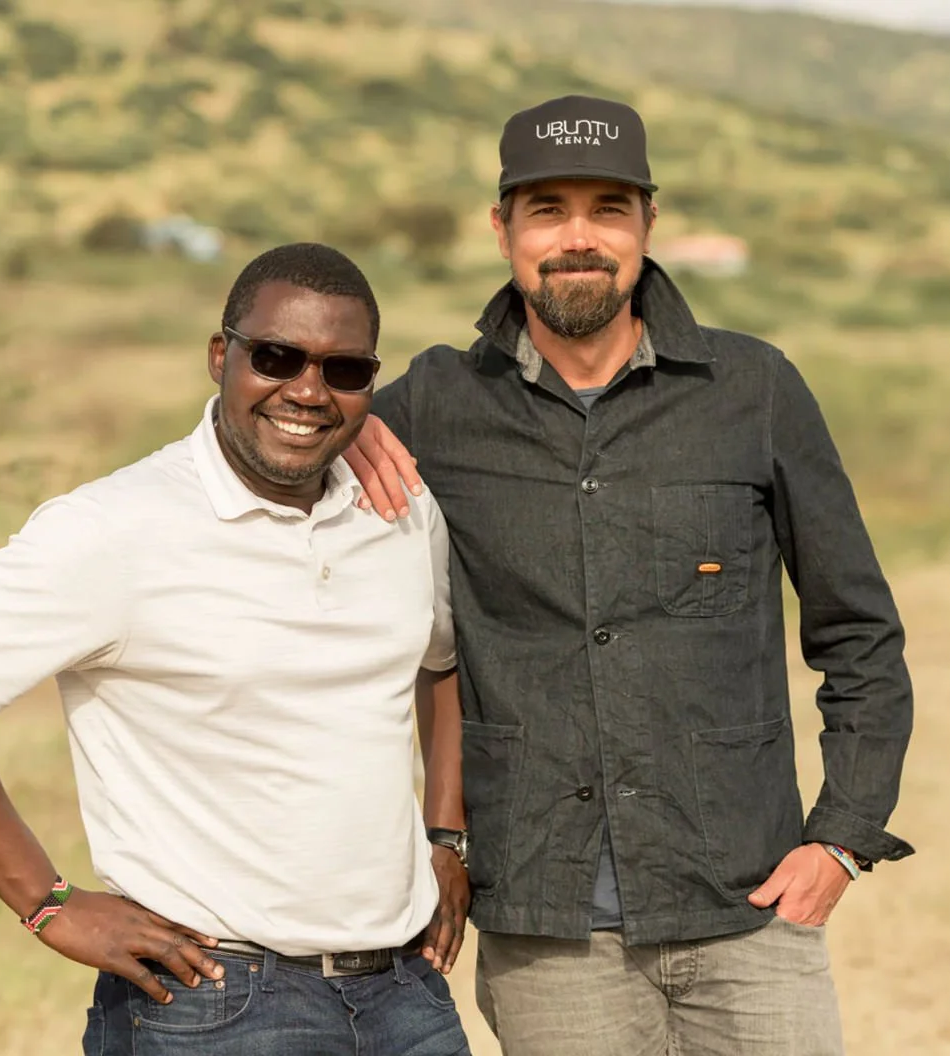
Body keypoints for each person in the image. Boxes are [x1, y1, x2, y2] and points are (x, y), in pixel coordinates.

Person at [344, 96, 914, 1055]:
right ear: (502, 229)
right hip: (545, 930)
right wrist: (349, 423)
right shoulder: (434, 403)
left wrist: (843, 838)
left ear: (649, 223)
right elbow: (286, 424)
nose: (578, 237)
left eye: (608, 208)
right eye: (547, 209)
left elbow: (858, 634)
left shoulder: (754, 389)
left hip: (749, 909)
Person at [0, 243, 473, 1056]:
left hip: (405, 995)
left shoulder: (399, 510)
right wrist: (45, 901)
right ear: (220, 357)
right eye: (276, 357)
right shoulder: (115, 528)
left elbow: (439, 665)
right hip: (213, 1003)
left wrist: (446, 838)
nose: (307, 390)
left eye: (344, 370)